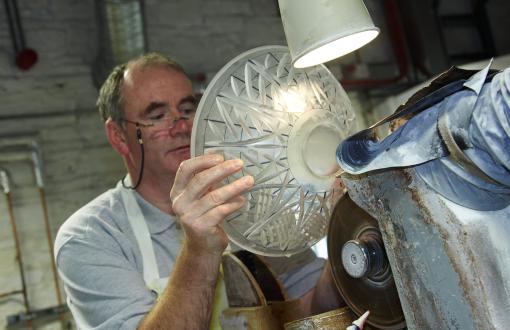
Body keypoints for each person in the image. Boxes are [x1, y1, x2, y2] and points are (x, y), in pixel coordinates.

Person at [54, 53, 343, 329]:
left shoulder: (252, 202)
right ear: (119, 137)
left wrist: (347, 234)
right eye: (157, 115)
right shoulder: (91, 236)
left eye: (188, 108)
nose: (180, 125)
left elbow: (312, 311)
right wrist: (199, 250)